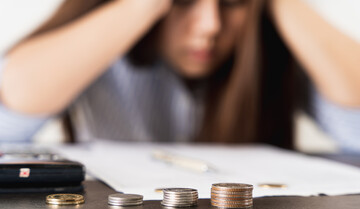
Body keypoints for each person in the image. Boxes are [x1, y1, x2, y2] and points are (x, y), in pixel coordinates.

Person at [0, 0, 359, 152]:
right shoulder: (105, 44)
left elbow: (355, 129)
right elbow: (10, 114)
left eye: (232, 2)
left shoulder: (269, 48)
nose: (210, 25)